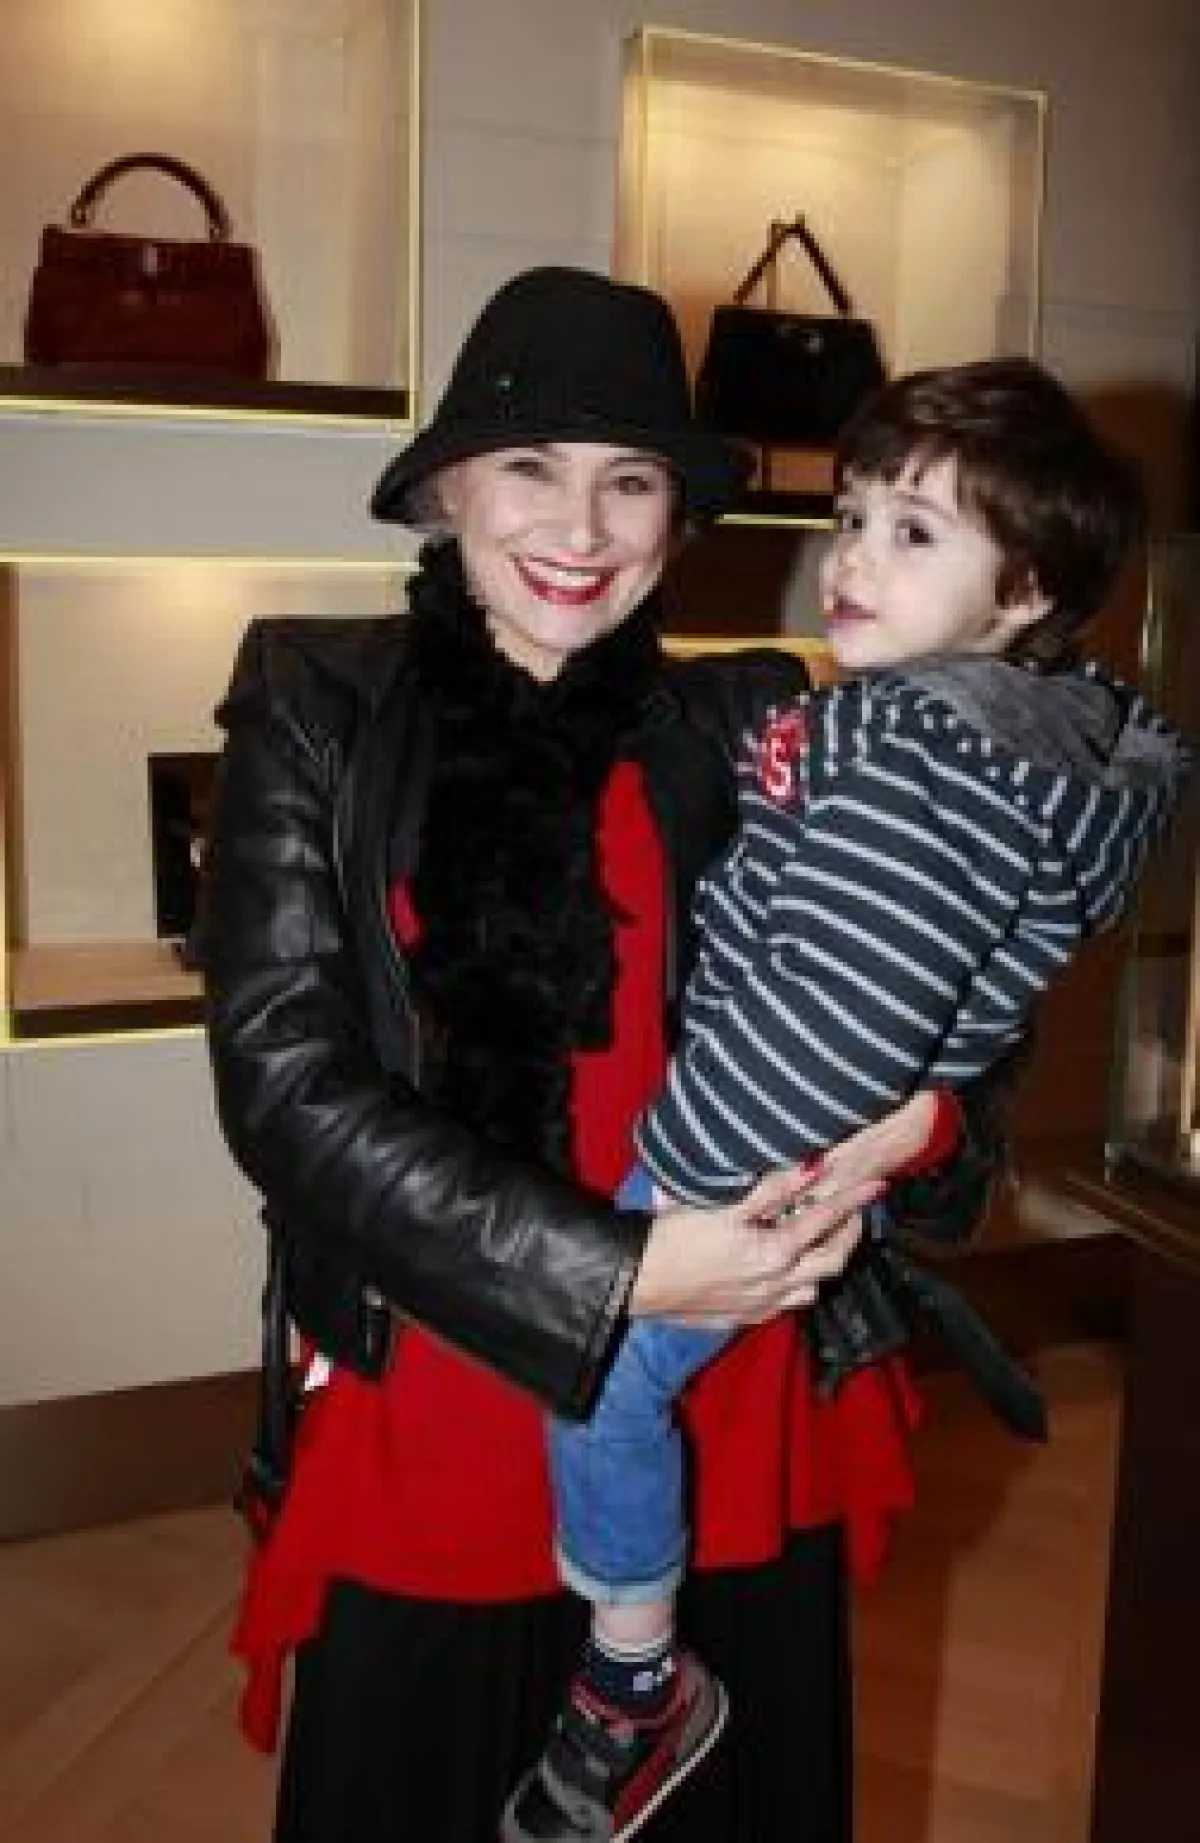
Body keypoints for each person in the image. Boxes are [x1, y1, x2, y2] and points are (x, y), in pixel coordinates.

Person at [201, 266, 1004, 1843]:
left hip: (727, 1375)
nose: (581, 526)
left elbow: (944, 1024)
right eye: (531, 466)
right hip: (447, 1369)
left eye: (630, 479)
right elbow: (286, 1088)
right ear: (445, 488)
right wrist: (624, 1272)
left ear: (676, 518)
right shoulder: (317, 700)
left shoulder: (765, 723)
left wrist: (920, 1128)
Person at [505, 355, 1191, 1843]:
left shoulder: (922, 751)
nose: (856, 559)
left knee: (600, 1383)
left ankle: (634, 1681)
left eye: (915, 533)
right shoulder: (1001, 735)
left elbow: (834, 1016)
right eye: (857, 515)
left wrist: (675, 1191)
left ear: (1024, 593)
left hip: (742, 1164)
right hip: (803, 1157)